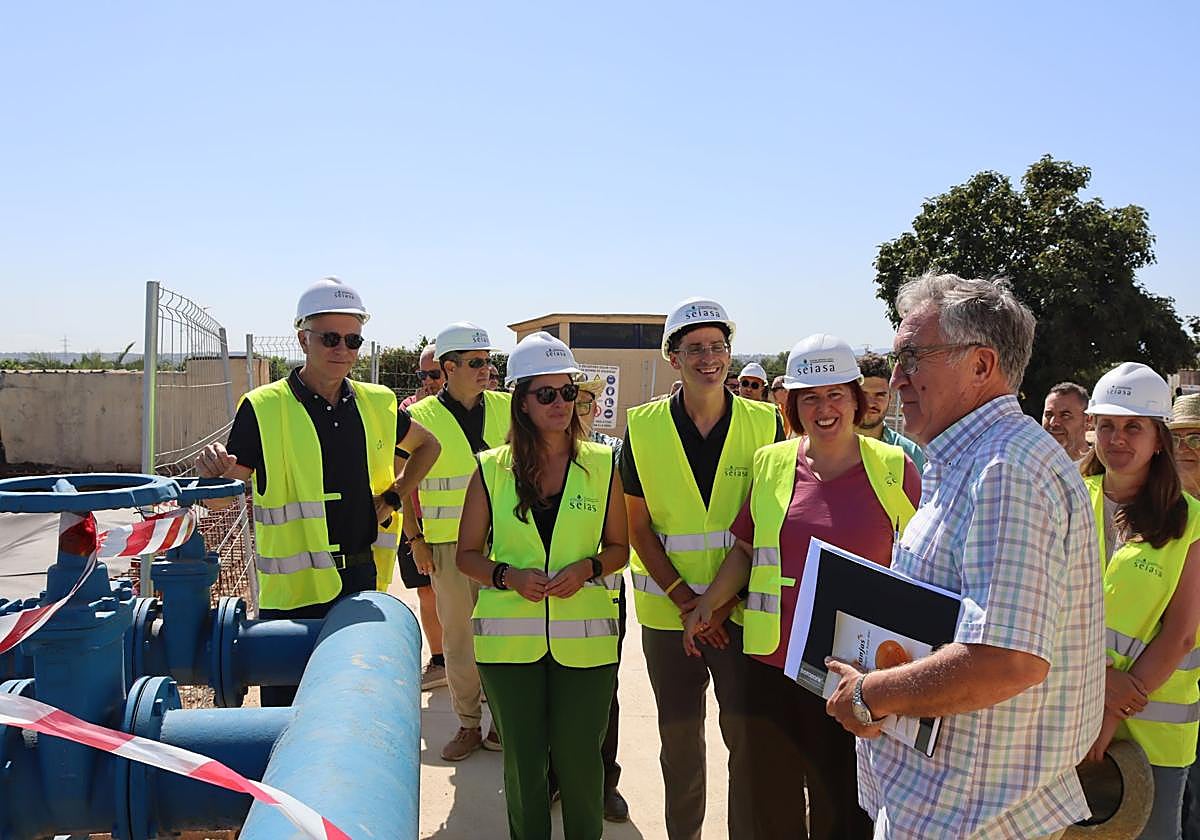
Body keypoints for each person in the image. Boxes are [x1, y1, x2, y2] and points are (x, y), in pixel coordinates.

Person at [825, 273, 1104, 839]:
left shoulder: (1006, 470)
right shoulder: (973, 459)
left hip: (973, 815)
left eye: (913, 358)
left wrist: (869, 694)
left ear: (980, 365)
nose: (895, 378)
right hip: (951, 804)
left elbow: (1008, 661)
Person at [684, 333, 921, 838]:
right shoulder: (771, 463)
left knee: (844, 804)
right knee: (772, 802)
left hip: (853, 671)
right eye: (809, 397)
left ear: (856, 399)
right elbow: (746, 550)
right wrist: (707, 605)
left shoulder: (895, 468)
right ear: (791, 405)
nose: (824, 408)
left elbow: (921, 566)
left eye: (835, 394)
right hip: (773, 662)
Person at [194, 277, 441, 706]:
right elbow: (221, 498)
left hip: (362, 584)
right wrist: (212, 478)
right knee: (288, 715)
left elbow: (428, 446)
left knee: (351, 706)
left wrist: (394, 496)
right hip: (292, 599)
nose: (342, 349)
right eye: (330, 338)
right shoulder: (264, 407)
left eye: (352, 339)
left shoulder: (377, 403)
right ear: (302, 339)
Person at [621, 297, 782, 840]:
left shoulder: (766, 423)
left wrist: (717, 606)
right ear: (673, 357)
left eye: (717, 346)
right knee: (680, 743)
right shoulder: (642, 428)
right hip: (670, 616)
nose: (708, 357)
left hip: (740, 616)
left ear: (730, 354)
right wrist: (687, 603)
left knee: (747, 741)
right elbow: (638, 526)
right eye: (694, 348)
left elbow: (770, 525)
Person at [457, 332, 628, 840]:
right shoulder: (491, 469)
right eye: (546, 394)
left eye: (568, 392)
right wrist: (507, 577)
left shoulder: (602, 464)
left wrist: (588, 569)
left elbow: (620, 548)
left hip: (587, 645)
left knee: (580, 761)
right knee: (524, 764)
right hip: (509, 649)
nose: (560, 403)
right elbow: (466, 556)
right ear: (522, 402)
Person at [1079, 363, 1200, 840]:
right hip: (1069, 710)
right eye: (1107, 425)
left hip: (1155, 732)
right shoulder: (1069, 497)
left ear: (1158, 439)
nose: (1117, 438)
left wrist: (1111, 709)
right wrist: (1097, 681)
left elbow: (1181, 634)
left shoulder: (1190, 519)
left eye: (1133, 427)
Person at [406, 321, 512, 760]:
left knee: (506, 637)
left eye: (488, 361)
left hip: (506, 544)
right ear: (448, 367)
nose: (485, 369)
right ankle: (469, 723)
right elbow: (404, 484)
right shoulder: (420, 418)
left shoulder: (509, 408)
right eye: (474, 362)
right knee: (459, 641)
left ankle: (503, 724)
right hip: (447, 547)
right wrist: (416, 539)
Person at [573, 377, 630, 822]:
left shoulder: (614, 454)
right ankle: (556, 776)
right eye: (564, 397)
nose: (574, 409)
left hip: (603, 595)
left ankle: (604, 781)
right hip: (546, 599)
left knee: (603, 691)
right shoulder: (529, 460)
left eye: (583, 402)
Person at [398, 343, 447, 691]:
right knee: (427, 593)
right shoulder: (407, 413)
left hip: (457, 522)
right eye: (423, 374)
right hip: (417, 520)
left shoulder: (468, 412)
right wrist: (414, 537)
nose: (428, 381)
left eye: (435, 374)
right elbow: (398, 477)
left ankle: (473, 669)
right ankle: (440, 661)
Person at [857, 351, 926, 473]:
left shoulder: (908, 453)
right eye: (863, 395)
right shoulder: (830, 448)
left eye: (879, 395)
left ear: (890, 398)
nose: (870, 403)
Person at [1042, 381, 1091, 462]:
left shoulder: (1104, 465)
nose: (1053, 422)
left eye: (1065, 415)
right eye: (1048, 415)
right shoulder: (1032, 463)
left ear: (1088, 421)